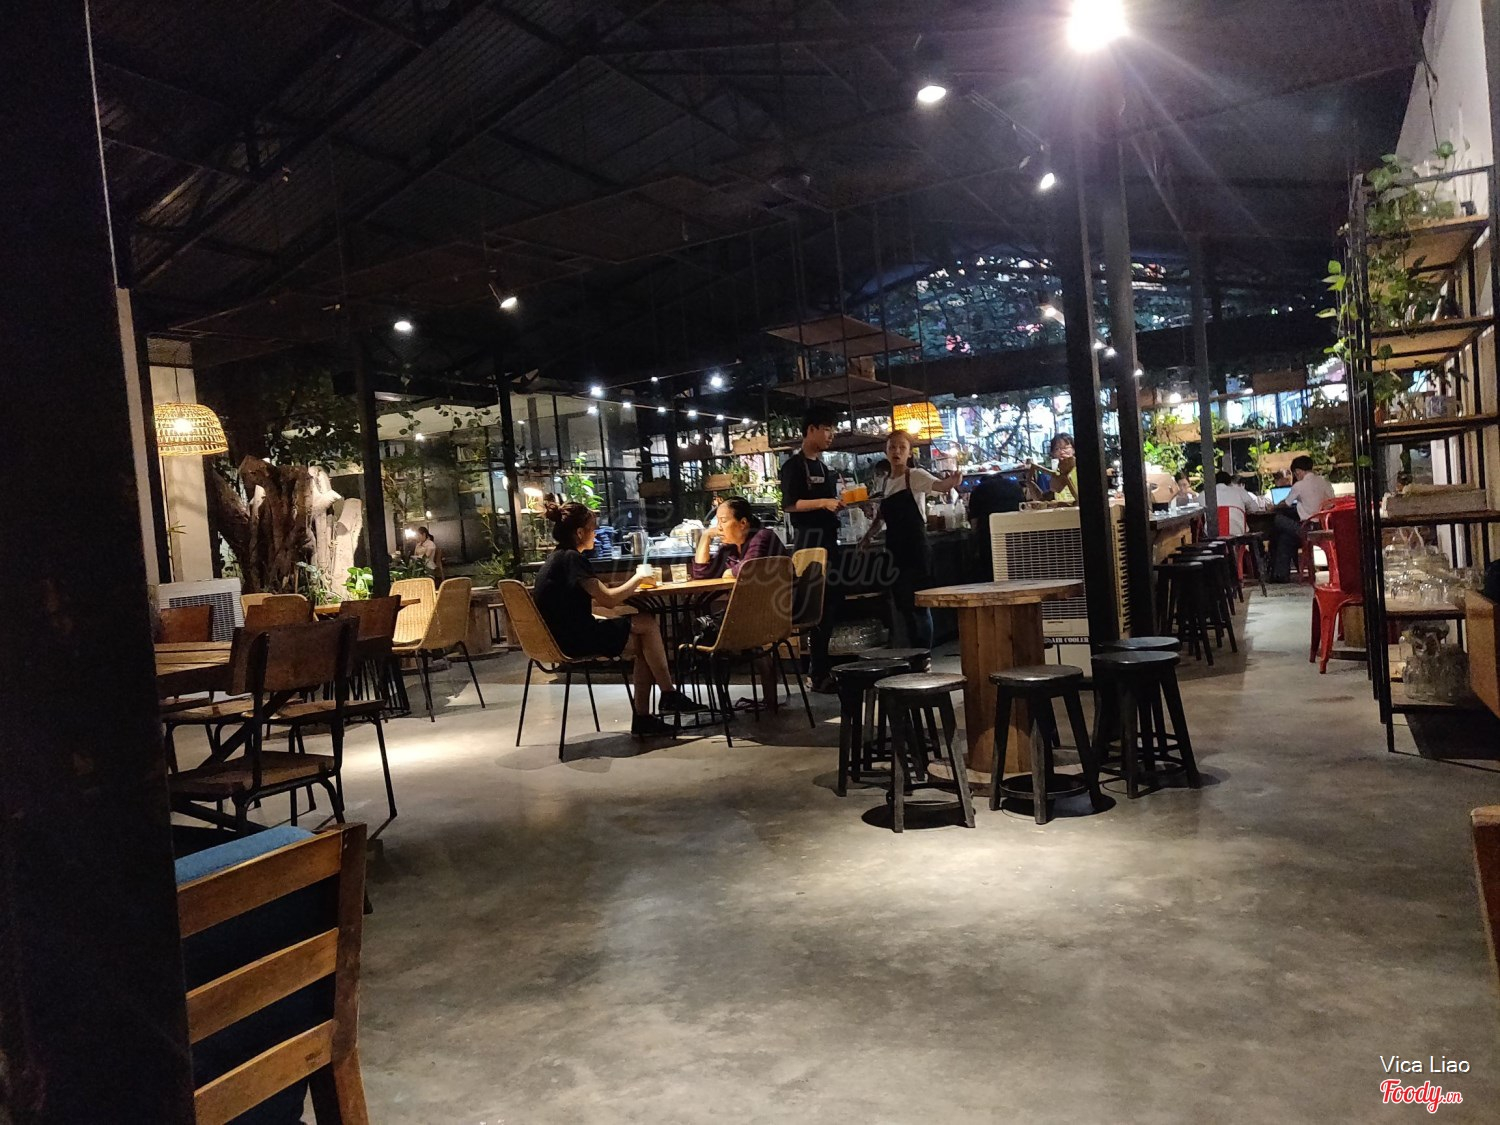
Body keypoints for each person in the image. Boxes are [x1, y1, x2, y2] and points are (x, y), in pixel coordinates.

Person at [533, 501, 705, 736]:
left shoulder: (557, 559)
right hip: (574, 640)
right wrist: (638, 577)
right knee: (647, 623)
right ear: (580, 532)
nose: (596, 534)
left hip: (558, 637)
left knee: (644, 642)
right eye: (593, 528)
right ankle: (666, 696)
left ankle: (650, 713)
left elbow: (573, 603)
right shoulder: (572, 559)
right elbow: (609, 600)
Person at [859, 431, 963, 647]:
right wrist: (868, 536)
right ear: (886, 451)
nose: (896, 451)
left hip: (915, 549)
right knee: (903, 604)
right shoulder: (884, 482)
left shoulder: (915, 475)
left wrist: (952, 481)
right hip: (895, 550)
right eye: (892, 447)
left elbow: (940, 486)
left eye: (901, 447)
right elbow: (882, 515)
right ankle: (913, 653)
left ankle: (924, 653)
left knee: (919, 605)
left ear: (909, 453)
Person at [779, 404, 843, 690]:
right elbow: (790, 504)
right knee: (814, 607)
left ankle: (821, 670)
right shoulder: (793, 466)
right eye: (827, 429)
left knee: (829, 608)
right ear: (811, 430)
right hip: (808, 543)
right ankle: (816, 673)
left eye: (833, 430)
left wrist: (838, 505)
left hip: (829, 542)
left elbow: (827, 504)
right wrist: (823, 503)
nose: (831, 435)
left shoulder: (825, 468)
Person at [1269, 455, 1336, 582]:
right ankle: (1280, 575)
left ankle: (1279, 575)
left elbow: (1286, 503)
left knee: (1277, 520)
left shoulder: (1299, 485)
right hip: (1324, 526)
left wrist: (1273, 507)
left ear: (1298, 471)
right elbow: (1332, 502)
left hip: (1307, 529)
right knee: (1285, 537)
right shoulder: (1325, 482)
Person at [691, 497, 788, 580]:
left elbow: (748, 568)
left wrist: (729, 572)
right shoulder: (730, 547)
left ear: (743, 523)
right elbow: (701, 574)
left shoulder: (762, 536)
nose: (718, 527)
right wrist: (706, 536)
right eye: (718, 521)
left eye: (723, 521)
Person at [965, 471, 1024, 580]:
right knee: (1017, 568)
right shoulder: (1015, 486)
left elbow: (974, 523)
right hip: (1016, 534)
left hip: (989, 536)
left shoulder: (978, 490)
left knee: (992, 570)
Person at [1213, 470, 1256, 536]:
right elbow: (1255, 508)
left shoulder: (1204, 494)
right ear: (1230, 482)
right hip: (1238, 532)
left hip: (1212, 533)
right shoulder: (1240, 491)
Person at [1048, 433, 1078, 500]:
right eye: (1057, 449)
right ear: (1053, 453)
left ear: (1073, 449)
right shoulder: (1056, 470)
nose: (1061, 452)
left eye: (1065, 448)